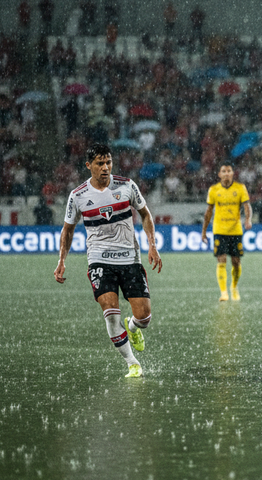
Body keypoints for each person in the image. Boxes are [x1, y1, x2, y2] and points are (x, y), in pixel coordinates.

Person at [53, 144, 162, 378]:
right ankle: (132, 363)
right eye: (100, 163)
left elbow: (145, 215)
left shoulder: (126, 185)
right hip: (99, 260)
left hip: (130, 258)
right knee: (110, 311)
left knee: (144, 317)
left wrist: (152, 246)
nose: (105, 168)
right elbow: (67, 230)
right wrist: (62, 260)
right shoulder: (78, 195)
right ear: (88, 165)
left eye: (108, 162)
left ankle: (132, 327)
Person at [201, 162, 252, 302]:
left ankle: (234, 287)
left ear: (233, 173)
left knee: (236, 262)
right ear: (219, 174)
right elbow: (208, 212)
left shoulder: (240, 188)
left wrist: (248, 219)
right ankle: (223, 292)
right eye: (223, 171)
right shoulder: (213, 190)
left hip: (235, 230)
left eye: (229, 170)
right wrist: (204, 231)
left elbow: (247, 206)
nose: (226, 173)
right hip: (219, 230)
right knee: (221, 259)